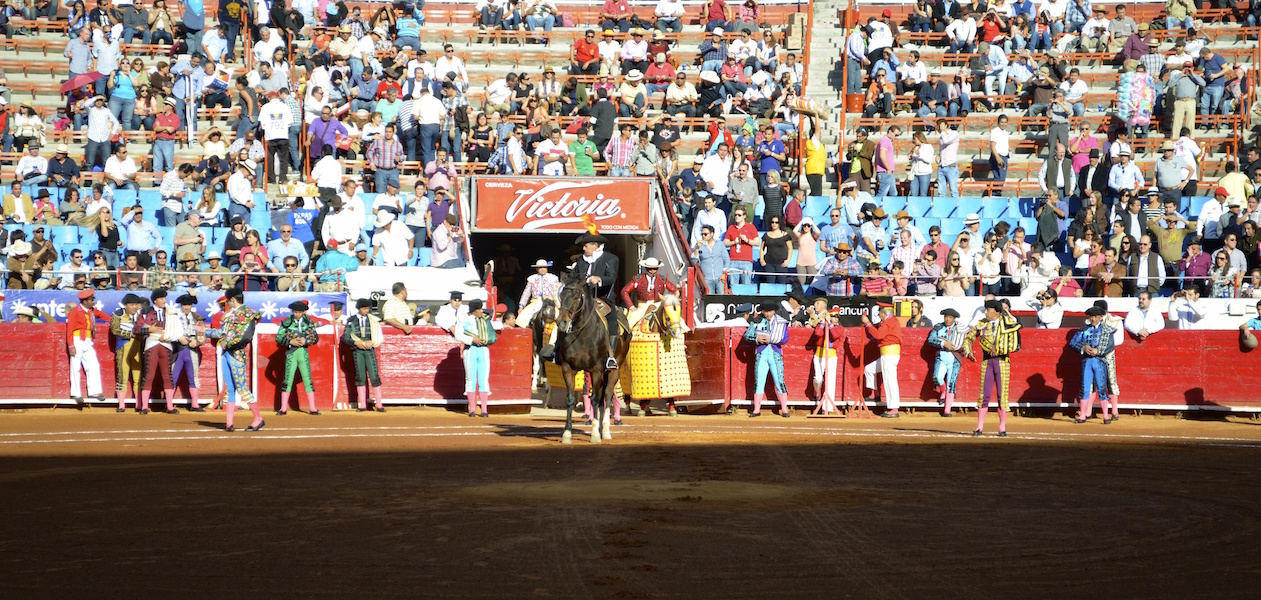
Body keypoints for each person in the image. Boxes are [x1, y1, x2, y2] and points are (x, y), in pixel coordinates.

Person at [961, 299, 1023, 437]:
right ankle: (979, 427)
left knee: (1002, 395)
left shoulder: (1007, 323)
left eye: (988, 310)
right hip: (987, 362)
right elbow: (969, 338)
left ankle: (1002, 428)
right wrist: (968, 350)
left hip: (1002, 361)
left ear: (997, 312)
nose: (986, 312)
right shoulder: (982, 324)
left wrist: (999, 349)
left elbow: (1014, 342)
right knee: (984, 395)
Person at [207, 289, 263, 431]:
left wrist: (229, 342)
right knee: (230, 389)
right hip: (226, 353)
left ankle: (258, 418)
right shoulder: (230, 314)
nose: (226, 304)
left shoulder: (247, 312)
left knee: (242, 388)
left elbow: (245, 333)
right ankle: (229, 423)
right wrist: (203, 330)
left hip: (236, 353)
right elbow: (222, 333)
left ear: (232, 299)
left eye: (227, 301)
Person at [136, 288, 182, 414]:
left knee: (167, 376)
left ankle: (170, 406)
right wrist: (149, 330)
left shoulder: (171, 312)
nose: (164, 300)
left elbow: (178, 330)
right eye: (161, 298)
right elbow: (136, 330)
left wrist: (169, 335)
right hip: (152, 343)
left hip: (166, 344)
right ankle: (144, 406)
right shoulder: (146, 312)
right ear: (155, 300)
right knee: (149, 375)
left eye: (165, 298)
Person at [1070, 305, 1117, 424]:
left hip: (1100, 362)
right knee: (1085, 387)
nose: (1093, 319)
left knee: (1102, 388)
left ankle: (1106, 416)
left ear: (1101, 317)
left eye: (1096, 316)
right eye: (1091, 316)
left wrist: (1098, 351)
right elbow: (1073, 342)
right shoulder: (1084, 329)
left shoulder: (1107, 330)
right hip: (1087, 361)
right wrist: (1083, 347)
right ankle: (1082, 415)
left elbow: (1110, 345)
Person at [742, 301, 790, 417]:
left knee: (779, 381)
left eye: (770, 311)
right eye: (766, 312)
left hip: (775, 354)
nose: (768, 314)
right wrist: (757, 338)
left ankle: (784, 409)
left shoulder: (780, 322)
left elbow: (785, 338)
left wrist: (771, 339)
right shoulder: (757, 321)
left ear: (774, 311)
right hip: (761, 354)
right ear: (762, 311)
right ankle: (756, 410)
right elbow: (747, 336)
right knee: (759, 381)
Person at [66, 289, 110, 405]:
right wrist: (71, 346)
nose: (93, 301)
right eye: (91, 300)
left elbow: (101, 315)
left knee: (94, 365)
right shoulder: (74, 312)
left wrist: (112, 320)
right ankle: (76, 393)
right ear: (85, 301)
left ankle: (94, 392)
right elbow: (70, 330)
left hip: (88, 341)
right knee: (75, 367)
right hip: (77, 341)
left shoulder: (91, 311)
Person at [454, 299, 497, 418]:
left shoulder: (484, 318)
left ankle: (484, 410)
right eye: (480, 309)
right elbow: (458, 335)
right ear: (474, 310)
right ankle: (472, 409)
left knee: (483, 379)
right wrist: (472, 339)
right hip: (470, 349)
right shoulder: (463, 318)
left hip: (483, 350)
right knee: (471, 379)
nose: (482, 311)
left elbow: (496, 326)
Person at [276, 300, 320, 415]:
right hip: (291, 353)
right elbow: (279, 337)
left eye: (299, 312)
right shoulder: (286, 322)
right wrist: (291, 342)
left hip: (303, 353)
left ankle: (313, 408)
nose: (297, 314)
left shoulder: (308, 322)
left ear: (303, 312)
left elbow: (315, 338)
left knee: (307, 379)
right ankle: (283, 408)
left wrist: (306, 340)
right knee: (288, 380)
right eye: (295, 312)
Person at [860, 304, 903, 418]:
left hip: (889, 354)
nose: (879, 315)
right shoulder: (891, 321)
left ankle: (894, 408)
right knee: (869, 369)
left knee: (890, 380)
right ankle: (875, 394)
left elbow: (879, 335)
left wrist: (867, 323)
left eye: (880, 313)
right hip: (887, 354)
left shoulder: (888, 322)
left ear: (884, 313)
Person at [344, 298, 385, 412]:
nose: (367, 310)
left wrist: (371, 341)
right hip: (357, 350)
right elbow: (345, 338)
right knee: (360, 377)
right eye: (364, 308)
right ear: (359, 308)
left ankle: (379, 405)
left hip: (369, 349)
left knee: (374, 376)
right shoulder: (351, 321)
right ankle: (362, 405)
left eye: (368, 308)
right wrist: (355, 342)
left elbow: (378, 335)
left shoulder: (373, 320)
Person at [927, 308, 967, 416]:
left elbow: (968, 339)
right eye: (946, 317)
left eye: (950, 317)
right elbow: (930, 340)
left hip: (955, 358)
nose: (947, 319)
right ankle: (943, 391)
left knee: (951, 383)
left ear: (954, 318)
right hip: (942, 356)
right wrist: (943, 344)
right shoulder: (938, 327)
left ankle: (947, 410)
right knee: (937, 377)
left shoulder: (961, 328)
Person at [109, 293, 145, 411]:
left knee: (138, 377)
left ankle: (139, 404)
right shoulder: (118, 314)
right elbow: (115, 329)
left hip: (138, 348)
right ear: (126, 305)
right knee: (122, 376)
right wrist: (131, 334)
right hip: (123, 347)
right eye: (132, 304)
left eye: (136, 305)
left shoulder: (141, 315)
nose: (135, 307)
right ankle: (121, 405)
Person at [170, 294, 206, 413]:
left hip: (192, 350)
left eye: (189, 304)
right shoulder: (173, 317)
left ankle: (195, 404)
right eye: (184, 304)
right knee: (173, 377)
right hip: (178, 349)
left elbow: (203, 334)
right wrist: (178, 337)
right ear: (181, 305)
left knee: (193, 377)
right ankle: (169, 404)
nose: (186, 307)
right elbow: (169, 331)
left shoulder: (197, 318)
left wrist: (197, 341)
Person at [621, 257, 678, 327]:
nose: (653, 271)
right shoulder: (638, 279)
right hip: (642, 309)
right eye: (650, 269)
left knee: (677, 322)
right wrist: (631, 307)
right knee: (629, 324)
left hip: (659, 307)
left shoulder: (662, 279)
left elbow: (675, 290)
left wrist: (669, 301)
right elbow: (624, 291)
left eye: (655, 269)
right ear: (646, 268)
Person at [809, 305, 843, 414]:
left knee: (830, 382)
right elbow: (817, 333)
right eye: (833, 316)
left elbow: (835, 334)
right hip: (819, 355)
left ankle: (827, 407)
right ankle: (817, 392)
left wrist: (831, 324)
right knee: (818, 379)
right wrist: (824, 322)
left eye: (836, 317)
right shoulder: (822, 325)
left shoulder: (839, 328)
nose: (835, 319)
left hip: (831, 356)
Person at [518, 259, 562, 326]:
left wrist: (559, 305)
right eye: (540, 267)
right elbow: (526, 293)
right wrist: (521, 306)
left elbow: (558, 292)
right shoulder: (532, 279)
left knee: (559, 319)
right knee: (522, 319)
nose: (542, 269)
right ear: (537, 268)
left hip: (550, 302)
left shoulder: (553, 278)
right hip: (535, 303)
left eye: (544, 267)